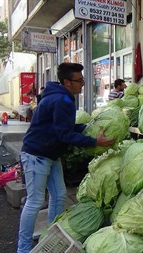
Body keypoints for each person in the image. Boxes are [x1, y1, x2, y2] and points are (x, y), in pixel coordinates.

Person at [17, 63, 115, 253]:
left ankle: (52, 236)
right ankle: (23, 248)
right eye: (79, 81)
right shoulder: (62, 100)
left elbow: (64, 128)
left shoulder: (63, 97)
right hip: (37, 154)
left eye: (83, 79)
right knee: (35, 201)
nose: (83, 84)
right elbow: (63, 134)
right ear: (67, 82)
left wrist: (89, 127)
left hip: (51, 154)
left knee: (59, 195)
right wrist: (94, 141)